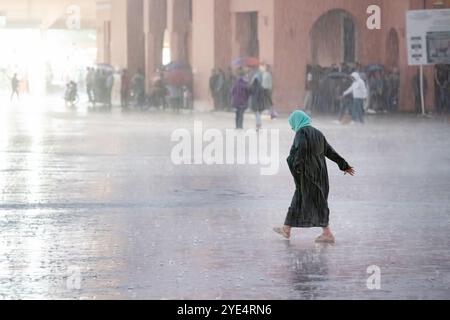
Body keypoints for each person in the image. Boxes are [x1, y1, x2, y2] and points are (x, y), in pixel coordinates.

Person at [273, 111, 355, 243]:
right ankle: (287, 228)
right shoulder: (318, 133)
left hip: (307, 175)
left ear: (297, 121)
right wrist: (344, 165)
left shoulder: (301, 133)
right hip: (320, 175)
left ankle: (326, 233)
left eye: (292, 124)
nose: (292, 128)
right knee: (309, 200)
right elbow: (330, 151)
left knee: (311, 201)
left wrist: (297, 169)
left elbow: (300, 151)